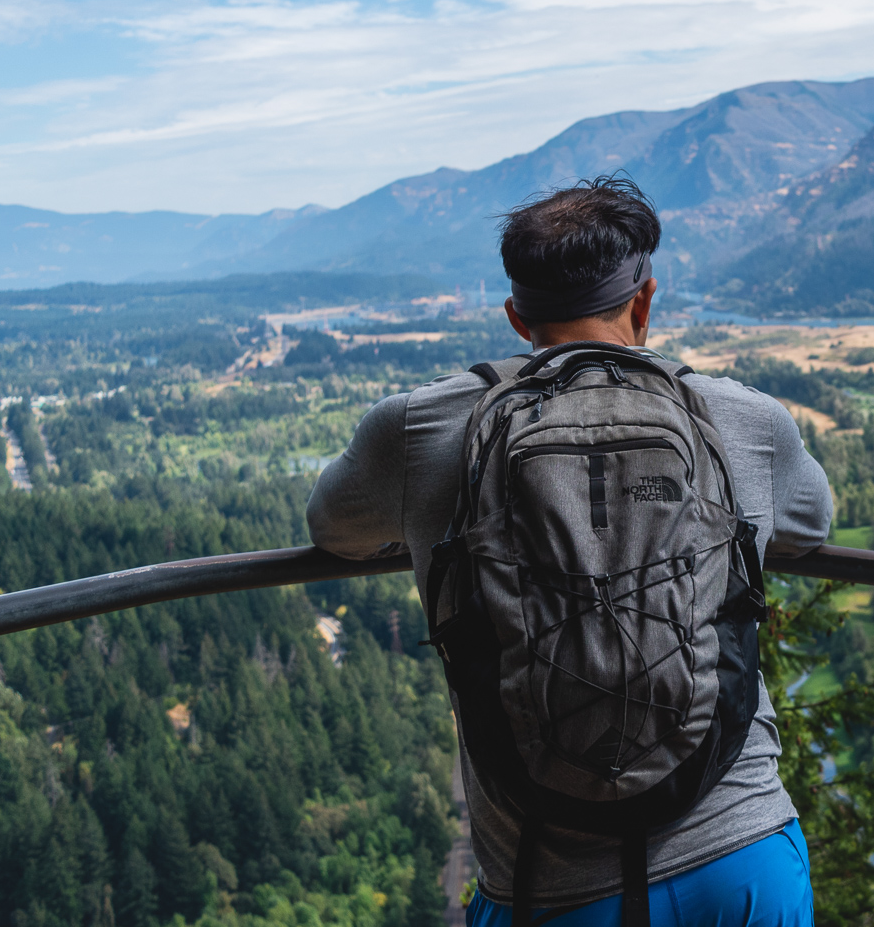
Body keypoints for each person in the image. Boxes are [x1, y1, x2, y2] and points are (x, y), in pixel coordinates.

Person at [307, 176, 831, 926]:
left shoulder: (415, 429)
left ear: (517, 316)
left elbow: (333, 529)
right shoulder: (746, 418)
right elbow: (809, 527)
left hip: (548, 887)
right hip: (740, 853)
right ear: (645, 302)